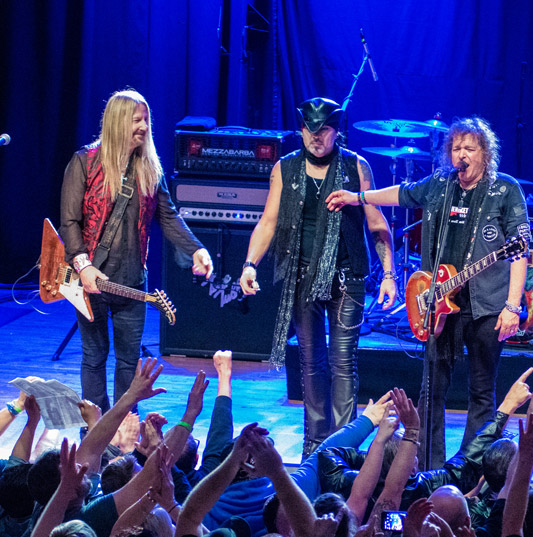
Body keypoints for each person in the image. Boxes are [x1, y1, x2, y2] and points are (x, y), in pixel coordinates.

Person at [326, 116, 529, 468]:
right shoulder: (440, 184)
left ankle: (470, 467)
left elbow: (521, 249)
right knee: (431, 390)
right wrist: (358, 197)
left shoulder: (505, 189)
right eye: (455, 148)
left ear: (485, 152)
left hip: (486, 305)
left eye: (469, 148)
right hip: (437, 302)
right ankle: (430, 468)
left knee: (482, 389)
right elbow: (402, 194)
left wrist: (512, 305)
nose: (461, 155)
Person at [239, 97, 397, 457]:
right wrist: (250, 264)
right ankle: (314, 448)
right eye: (309, 129)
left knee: (343, 362)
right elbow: (268, 221)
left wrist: (389, 274)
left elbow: (376, 223)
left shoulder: (355, 167)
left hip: (346, 278)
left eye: (322, 129)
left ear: (335, 130)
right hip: (301, 277)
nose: (315, 136)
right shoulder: (285, 168)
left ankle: (343, 448)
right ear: (300, 129)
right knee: (311, 361)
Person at [60, 89, 212, 415]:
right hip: (91, 280)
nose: (143, 126)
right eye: (136, 119)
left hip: (132, 284)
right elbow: (69, 222)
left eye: (146, 119)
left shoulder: (150, 169)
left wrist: (196, 249)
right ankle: (95, 429)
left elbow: (168, 217)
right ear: (117, 123)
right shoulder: (84, 163)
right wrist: (84, 267)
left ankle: (125, 431)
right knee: (94, 354)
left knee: (129, 360)